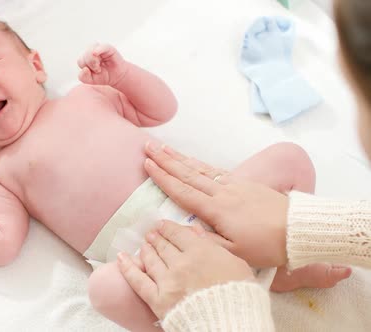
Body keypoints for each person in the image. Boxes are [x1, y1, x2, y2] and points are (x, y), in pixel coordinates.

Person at [0, 16, 347, 331]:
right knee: (104, 290)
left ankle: (285, 263)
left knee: (290, 158)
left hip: (214, 203)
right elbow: (0, 244)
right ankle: (186, 323)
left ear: (35, 66)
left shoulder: (87, 95)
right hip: (150, 264)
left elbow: (161, 109)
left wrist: (125, 75)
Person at [117, 0, 371, 330]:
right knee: (289, 156)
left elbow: (158, 108)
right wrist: (306, 227)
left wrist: (219, 314)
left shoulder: (87, 96)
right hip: (157, 236)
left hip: (157, 248)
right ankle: (277, 262)